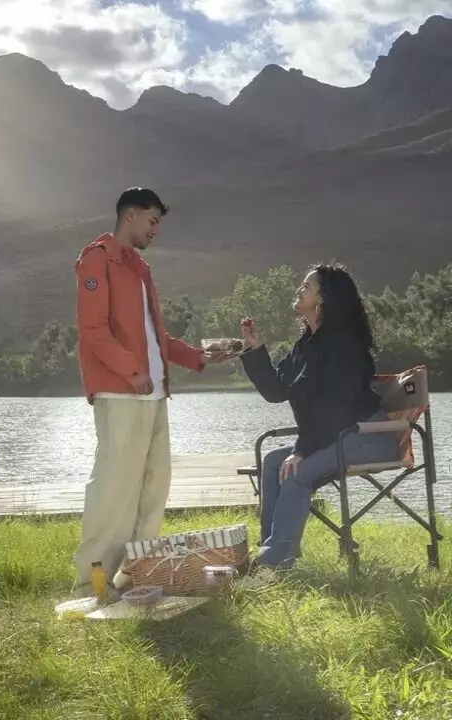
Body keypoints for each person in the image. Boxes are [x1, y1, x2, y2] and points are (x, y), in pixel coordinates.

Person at [71, 187, 224, 593]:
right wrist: (132, 371)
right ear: (131, 216)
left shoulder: (139, 267)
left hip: (154, 395)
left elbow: (157, 337)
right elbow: (92, 331)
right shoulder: (96, 259)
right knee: (115, 489)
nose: (156, 230)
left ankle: (135, 576)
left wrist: (200, 357)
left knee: (154, 488)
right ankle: (93, 581)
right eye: (152, 221)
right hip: (121, 392)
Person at [238, 262, 400, 569]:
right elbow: (276, 392)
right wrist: (256, 349)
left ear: (323, 298)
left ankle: (272, 563)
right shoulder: (306, 345)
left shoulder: (344, 345)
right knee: (273, 461)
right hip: (336, 435)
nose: (299, 290)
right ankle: (271, 550)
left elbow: (335, 408)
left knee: (296, 473)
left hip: (368, 437)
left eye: (307, 286)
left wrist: (302, 451)